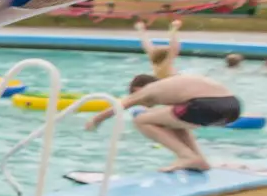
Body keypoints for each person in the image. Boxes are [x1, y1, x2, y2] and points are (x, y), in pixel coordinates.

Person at [89, 71, 241, 172]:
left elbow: (120, 105)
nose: (146, 105)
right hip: (233, 106)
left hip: (206, 104)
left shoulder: (148, 89)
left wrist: (96, 120)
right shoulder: (172, 85)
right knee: (173, 120)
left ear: (137, 89)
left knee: (140, 120)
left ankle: (187, 156)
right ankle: (199, 160)